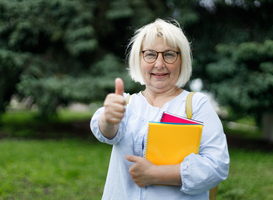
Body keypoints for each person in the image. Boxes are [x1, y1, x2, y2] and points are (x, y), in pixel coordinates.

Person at [90, 18, 229, 200]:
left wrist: (155, 173)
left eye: (169, 54)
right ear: (139, 58)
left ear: (181, 59)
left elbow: (217, 165)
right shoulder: (127, 103)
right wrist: (108, 118)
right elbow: (108, 133)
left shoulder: (196, 105)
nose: (159, 64)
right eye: (150, 54)